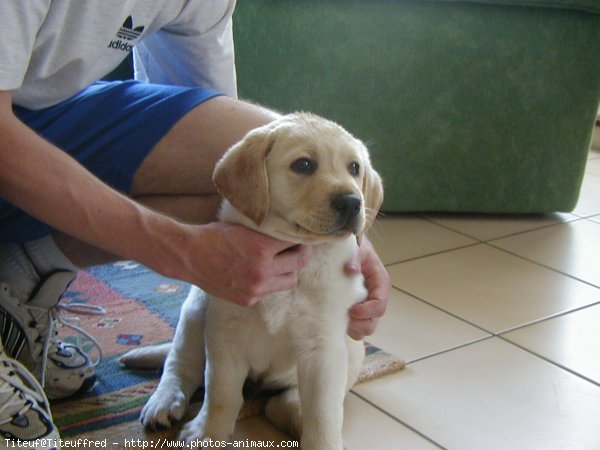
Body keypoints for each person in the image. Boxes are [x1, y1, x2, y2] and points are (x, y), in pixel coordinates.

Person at [0, 1, 390, 447]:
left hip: (43, 111)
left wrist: (345, 236)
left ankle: (21, 277)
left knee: (243, 163)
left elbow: (224, 151)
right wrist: (181, 250)